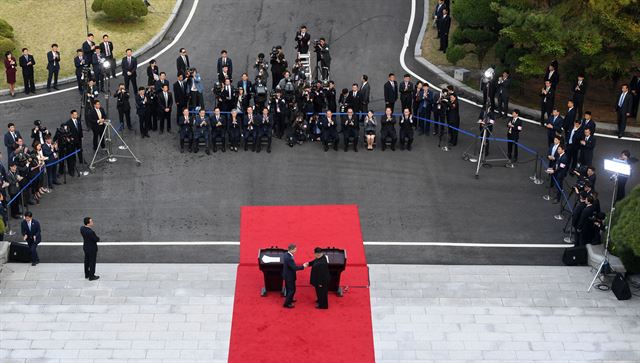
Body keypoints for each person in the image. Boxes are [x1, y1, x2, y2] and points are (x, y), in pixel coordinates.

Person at [282, 244, 306, 308]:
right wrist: (303, 266)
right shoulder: (289, 258)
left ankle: (290, 299)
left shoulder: (286, 254)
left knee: (288, 289)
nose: (296, 250)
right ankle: (287, 303)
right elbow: (294, 268)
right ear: (291, 249)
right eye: (295, 249)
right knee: (292, 290)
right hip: (290, 277)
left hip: (287, 275)